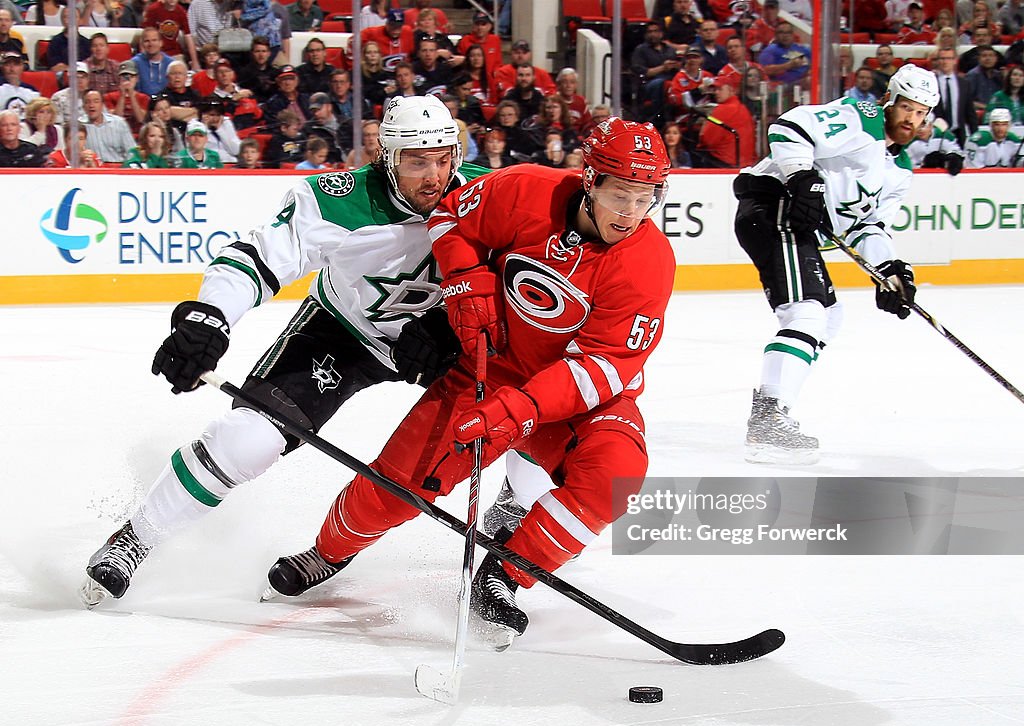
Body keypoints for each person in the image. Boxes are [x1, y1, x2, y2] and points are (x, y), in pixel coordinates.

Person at [262, 117, 675, 645]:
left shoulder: (649, 262)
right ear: (590, 179)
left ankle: (504, 575)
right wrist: (464, 281)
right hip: (490, 367)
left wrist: (520, 409)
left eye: (646, 197)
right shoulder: (527, 190)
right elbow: (453, 216)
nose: (632, 212)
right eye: (622, 194)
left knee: (614, 477)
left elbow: (605, 365)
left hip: (581, 400)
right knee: (398, 487)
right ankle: (328, 551)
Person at [80, 95, 486, 607]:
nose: (435, 176)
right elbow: (253, 257)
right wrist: (211, 317)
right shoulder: (338, 200)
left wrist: (451, 324)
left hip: (445, 343)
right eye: (417, 161)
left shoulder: (486, 192)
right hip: (342, 334)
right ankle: (134, 540)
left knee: (526, 407)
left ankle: (510, 523)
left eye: (445, 157)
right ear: (387, 155)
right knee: (249, 439)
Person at [733, 64, 939, 464]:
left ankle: (772, 405)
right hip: (776, 204)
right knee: (806, 313)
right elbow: (789, 127)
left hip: (795, 223)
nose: (912, 119)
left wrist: (890, 270)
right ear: (889, 101)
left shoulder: (899, 172)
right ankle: (767, 421)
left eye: (921, 113)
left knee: (828, 316)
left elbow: (869, 225)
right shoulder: (862, 119)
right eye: (907, 108)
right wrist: (803, 178)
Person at [83, 88, 135, 163]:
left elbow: (131, 151)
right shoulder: (78, 126)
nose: (91, 105)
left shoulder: (119, 123)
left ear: (102, 105)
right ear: (83, 107)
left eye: (96, 101)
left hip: (118, 168)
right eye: (87, 102)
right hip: (92, 170)